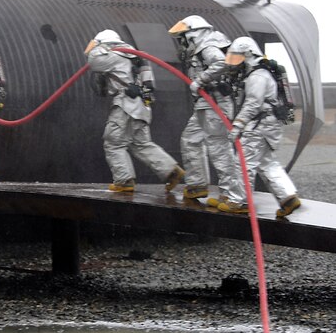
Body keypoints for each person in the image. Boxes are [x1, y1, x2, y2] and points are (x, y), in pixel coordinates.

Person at [84, 29, 185, 193]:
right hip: (141, 106)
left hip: (125, 106)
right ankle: (171, 171)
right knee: (140, 143)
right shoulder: (134, 56)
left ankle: (124, 181)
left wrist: (98, 47)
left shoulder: (115, 56)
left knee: (113, 143)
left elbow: (93, 62)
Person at [218, 37, 302, 218]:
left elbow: (253, 104)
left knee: (242, 162)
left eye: (238, 58)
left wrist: (238, 125)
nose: (235, 63)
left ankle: (238, 201)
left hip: (258, 124)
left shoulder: (257, 76)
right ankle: (288, 197)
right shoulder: (261, 74)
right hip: (267, 124)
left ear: (248, 55)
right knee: (267, 162)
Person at [169, 15, 246, 207]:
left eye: (183, 38)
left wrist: (201, 80)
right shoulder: (205, 47)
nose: (181, 43)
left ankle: (230, 194)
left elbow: (223, 63)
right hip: (206, 104)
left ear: (193, 35)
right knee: (190, 140)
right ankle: (197, 185)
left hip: (217, 104)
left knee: (219, 149)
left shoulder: (208, 47)